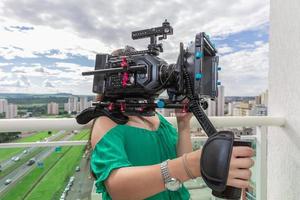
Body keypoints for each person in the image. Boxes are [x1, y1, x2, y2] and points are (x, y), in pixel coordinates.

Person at [88, 47, 254, 200]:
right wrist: (191, 164)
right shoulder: (106, 122)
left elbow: (180, 160)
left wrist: (183, 126)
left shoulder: (155, 117)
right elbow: (118, 188)